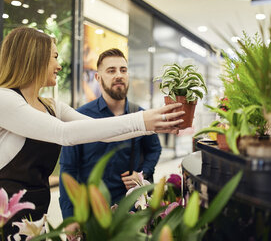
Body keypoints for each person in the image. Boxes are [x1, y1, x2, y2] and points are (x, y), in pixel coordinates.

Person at [0, 27, 184, 239]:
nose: (59, 66)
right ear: (35, 57)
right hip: (6, 213)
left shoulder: (50, 106)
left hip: (36, 212)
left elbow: (104, 133)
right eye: (54, 57)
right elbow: (65, 134)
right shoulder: (4, 99)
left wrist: (152, 125)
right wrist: (142, 119)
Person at [59, 48, 162, 238]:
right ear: (98, 78)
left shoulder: (139, 115)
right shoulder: (80, 116)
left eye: (123, 70)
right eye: (111, 70)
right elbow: (68, 169)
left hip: (131, 211)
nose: (119, 75)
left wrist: (142, 174)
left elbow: (154, 149)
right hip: (92, 213)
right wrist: (70, 216)